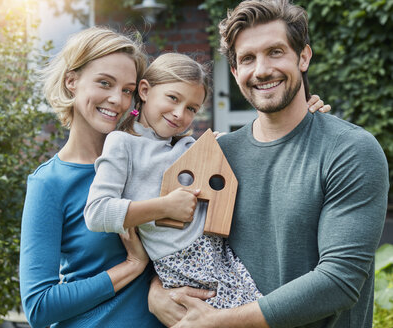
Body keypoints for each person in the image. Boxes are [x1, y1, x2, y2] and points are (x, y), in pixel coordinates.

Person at [147, 1, 389, 327]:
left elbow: (339, 281)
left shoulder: (349, 150)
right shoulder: (218, 154)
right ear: (234, 72)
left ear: (303, 57)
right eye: (247, 58)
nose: (261, 70)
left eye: (275, 52)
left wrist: (220, 322)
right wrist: (155, 291)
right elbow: (170, 243)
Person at [85, 52, 330, 310]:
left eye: (191, 108)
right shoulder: (122, 143)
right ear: (144, 90)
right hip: (183, 266)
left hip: (220, 254)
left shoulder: (189, 146)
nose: (179, 113)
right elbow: (96, 213)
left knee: (264, 311)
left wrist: (301, 110)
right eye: (173, 98)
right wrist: (165, 207)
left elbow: (255, 138)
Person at [19, 26, 165, 328]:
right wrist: (132, 266)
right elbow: (39, 306)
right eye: (104, 83)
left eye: (127, 90)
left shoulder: (155, 162)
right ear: (72, 81)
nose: (117, 99)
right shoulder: (50, 183)